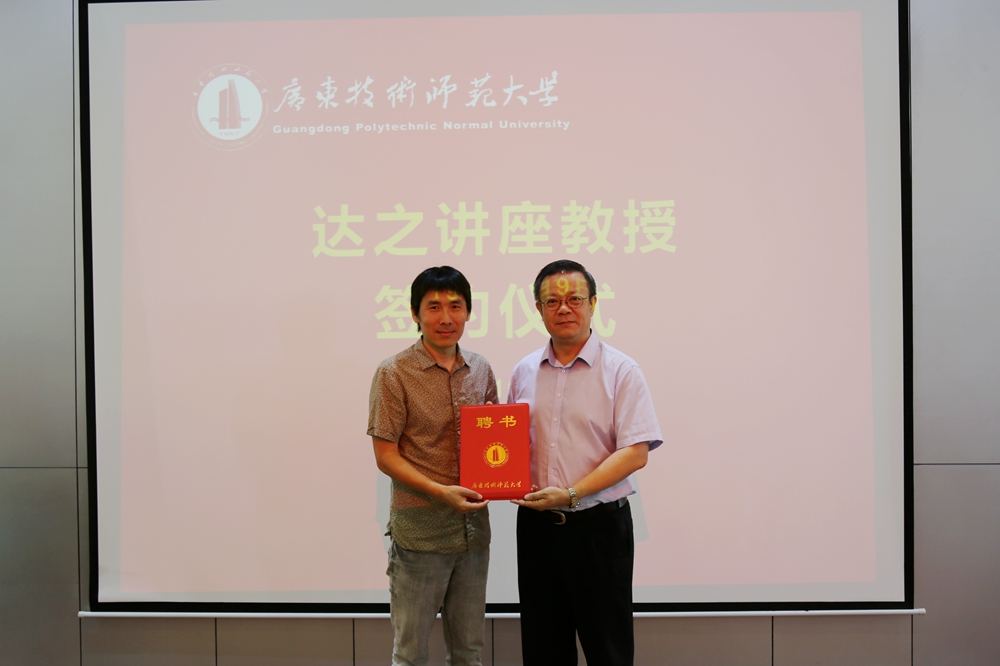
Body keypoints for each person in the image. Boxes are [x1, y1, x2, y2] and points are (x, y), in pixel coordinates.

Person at [508, 259, 662, 666]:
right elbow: (511, 444)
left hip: (599, 530)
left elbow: (635, 452)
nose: (564, 308)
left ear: (593, 304)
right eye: (552, 301)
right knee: (544, 650)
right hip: (538, 531)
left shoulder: (622, 371)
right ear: (538, 308)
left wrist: (572, 493)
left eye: (574, 299)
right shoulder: (523, 372)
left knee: (608, 649)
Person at [368, 266, 498, 666]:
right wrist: (441, 492)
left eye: (456, 306)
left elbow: (495, 441)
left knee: (469, 653)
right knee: (410, 654)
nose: (446, 317)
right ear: (415, 313)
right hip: (420, 536)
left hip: (473, 534)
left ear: (468, 312)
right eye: (434, 307)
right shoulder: (394, 373)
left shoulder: (481, 369)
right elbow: (386, 456)